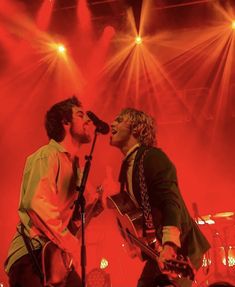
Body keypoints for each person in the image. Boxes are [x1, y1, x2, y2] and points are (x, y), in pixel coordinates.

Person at [4, 95, 100, 287]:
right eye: (81, 115)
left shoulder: (75, 167)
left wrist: (96, 205)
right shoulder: (47, 156)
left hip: (55, 255)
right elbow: (36, 203)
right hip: (31, 255)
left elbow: (73, 221)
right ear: (65, 122)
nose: (89, 120)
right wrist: (69, 243)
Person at [109, 108, 211, 287]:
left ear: (136, 128)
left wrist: (170, 245)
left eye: (119, 120)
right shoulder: (128, 167)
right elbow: (136, 216)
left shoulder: (152, 157)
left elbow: (171, 202)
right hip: (159, 250)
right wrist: (135, 243)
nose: (112, 123)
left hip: (182, 248)